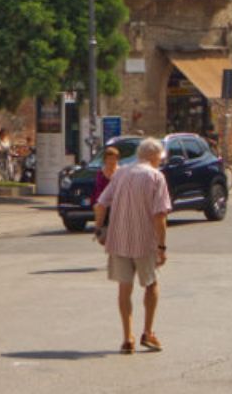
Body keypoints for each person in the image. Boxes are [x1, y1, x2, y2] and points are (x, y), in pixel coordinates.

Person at [93, 136, 171, 354]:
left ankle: (127, 336)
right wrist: (162, 246)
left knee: (124, 289)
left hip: (119, 239)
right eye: (160, 158)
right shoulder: (156, 177)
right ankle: (148, 332)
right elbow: (160, 215)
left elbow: (100, 205)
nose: (160, 162)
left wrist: (99, 230)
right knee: (151, 284)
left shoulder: (121, 173)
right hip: (144, 241)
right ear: (154, 156)